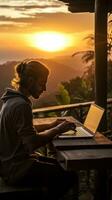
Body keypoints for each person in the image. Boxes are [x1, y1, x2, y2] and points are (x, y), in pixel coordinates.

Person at [0, 60, 78, 199]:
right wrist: (58, 129)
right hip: (17, 170)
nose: (45, 88)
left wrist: (51, 125)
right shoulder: (21, 105)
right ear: (30, 81)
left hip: (10, 166)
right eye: (42, 83)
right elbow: (31, 143)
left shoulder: (11, 101)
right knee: (69, 176)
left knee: (64, 167)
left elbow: (24, 130)